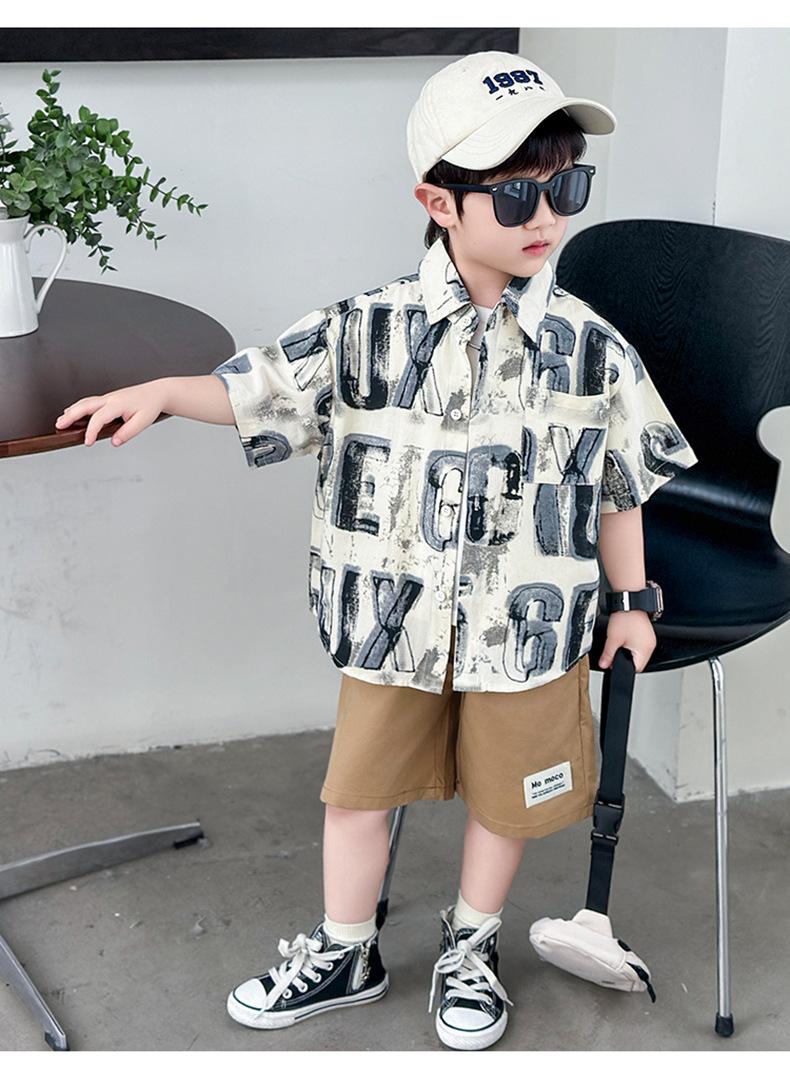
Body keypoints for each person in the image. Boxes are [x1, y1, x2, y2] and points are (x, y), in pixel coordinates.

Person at [53, 51, 699, 1051]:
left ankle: (471, 944)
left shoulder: (594, 350)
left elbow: (620, 486)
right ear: (438, 202)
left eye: (566, 188)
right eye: (517, 194)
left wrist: (632, 601)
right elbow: (261, 387)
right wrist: (166, 394)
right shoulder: (364, 329)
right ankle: (345, 947)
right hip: (393, 626)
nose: (546, 217)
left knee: (506, 801)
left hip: (528, 630)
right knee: (358, 792)